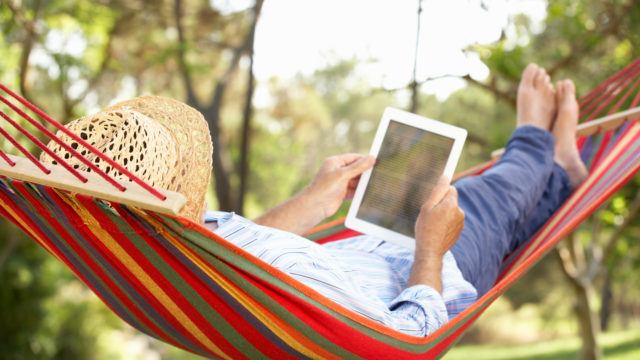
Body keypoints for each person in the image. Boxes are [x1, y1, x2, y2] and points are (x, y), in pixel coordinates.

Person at [43, 63, 588, 337]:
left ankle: (562, 172)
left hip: (371, 246)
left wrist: (314, 200)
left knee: (502, 216)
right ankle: (536, 141)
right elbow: (410, 337)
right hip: (433, 269)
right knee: (485, 195)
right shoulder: (188, 261)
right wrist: (429, 248)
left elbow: (248, 257)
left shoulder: (174, 256)